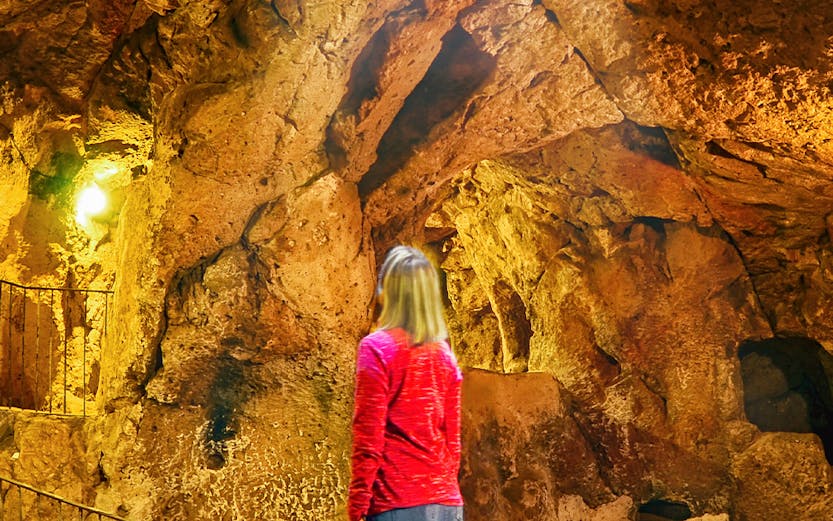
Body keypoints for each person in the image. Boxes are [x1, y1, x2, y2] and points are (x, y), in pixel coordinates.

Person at [348, 245, 464, 521]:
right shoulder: (444, 355)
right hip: (447, 502)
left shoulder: (376, 348)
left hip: (396, 502)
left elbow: (369, 438)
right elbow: (453, 443)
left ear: (388, 291)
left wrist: (357, 507)